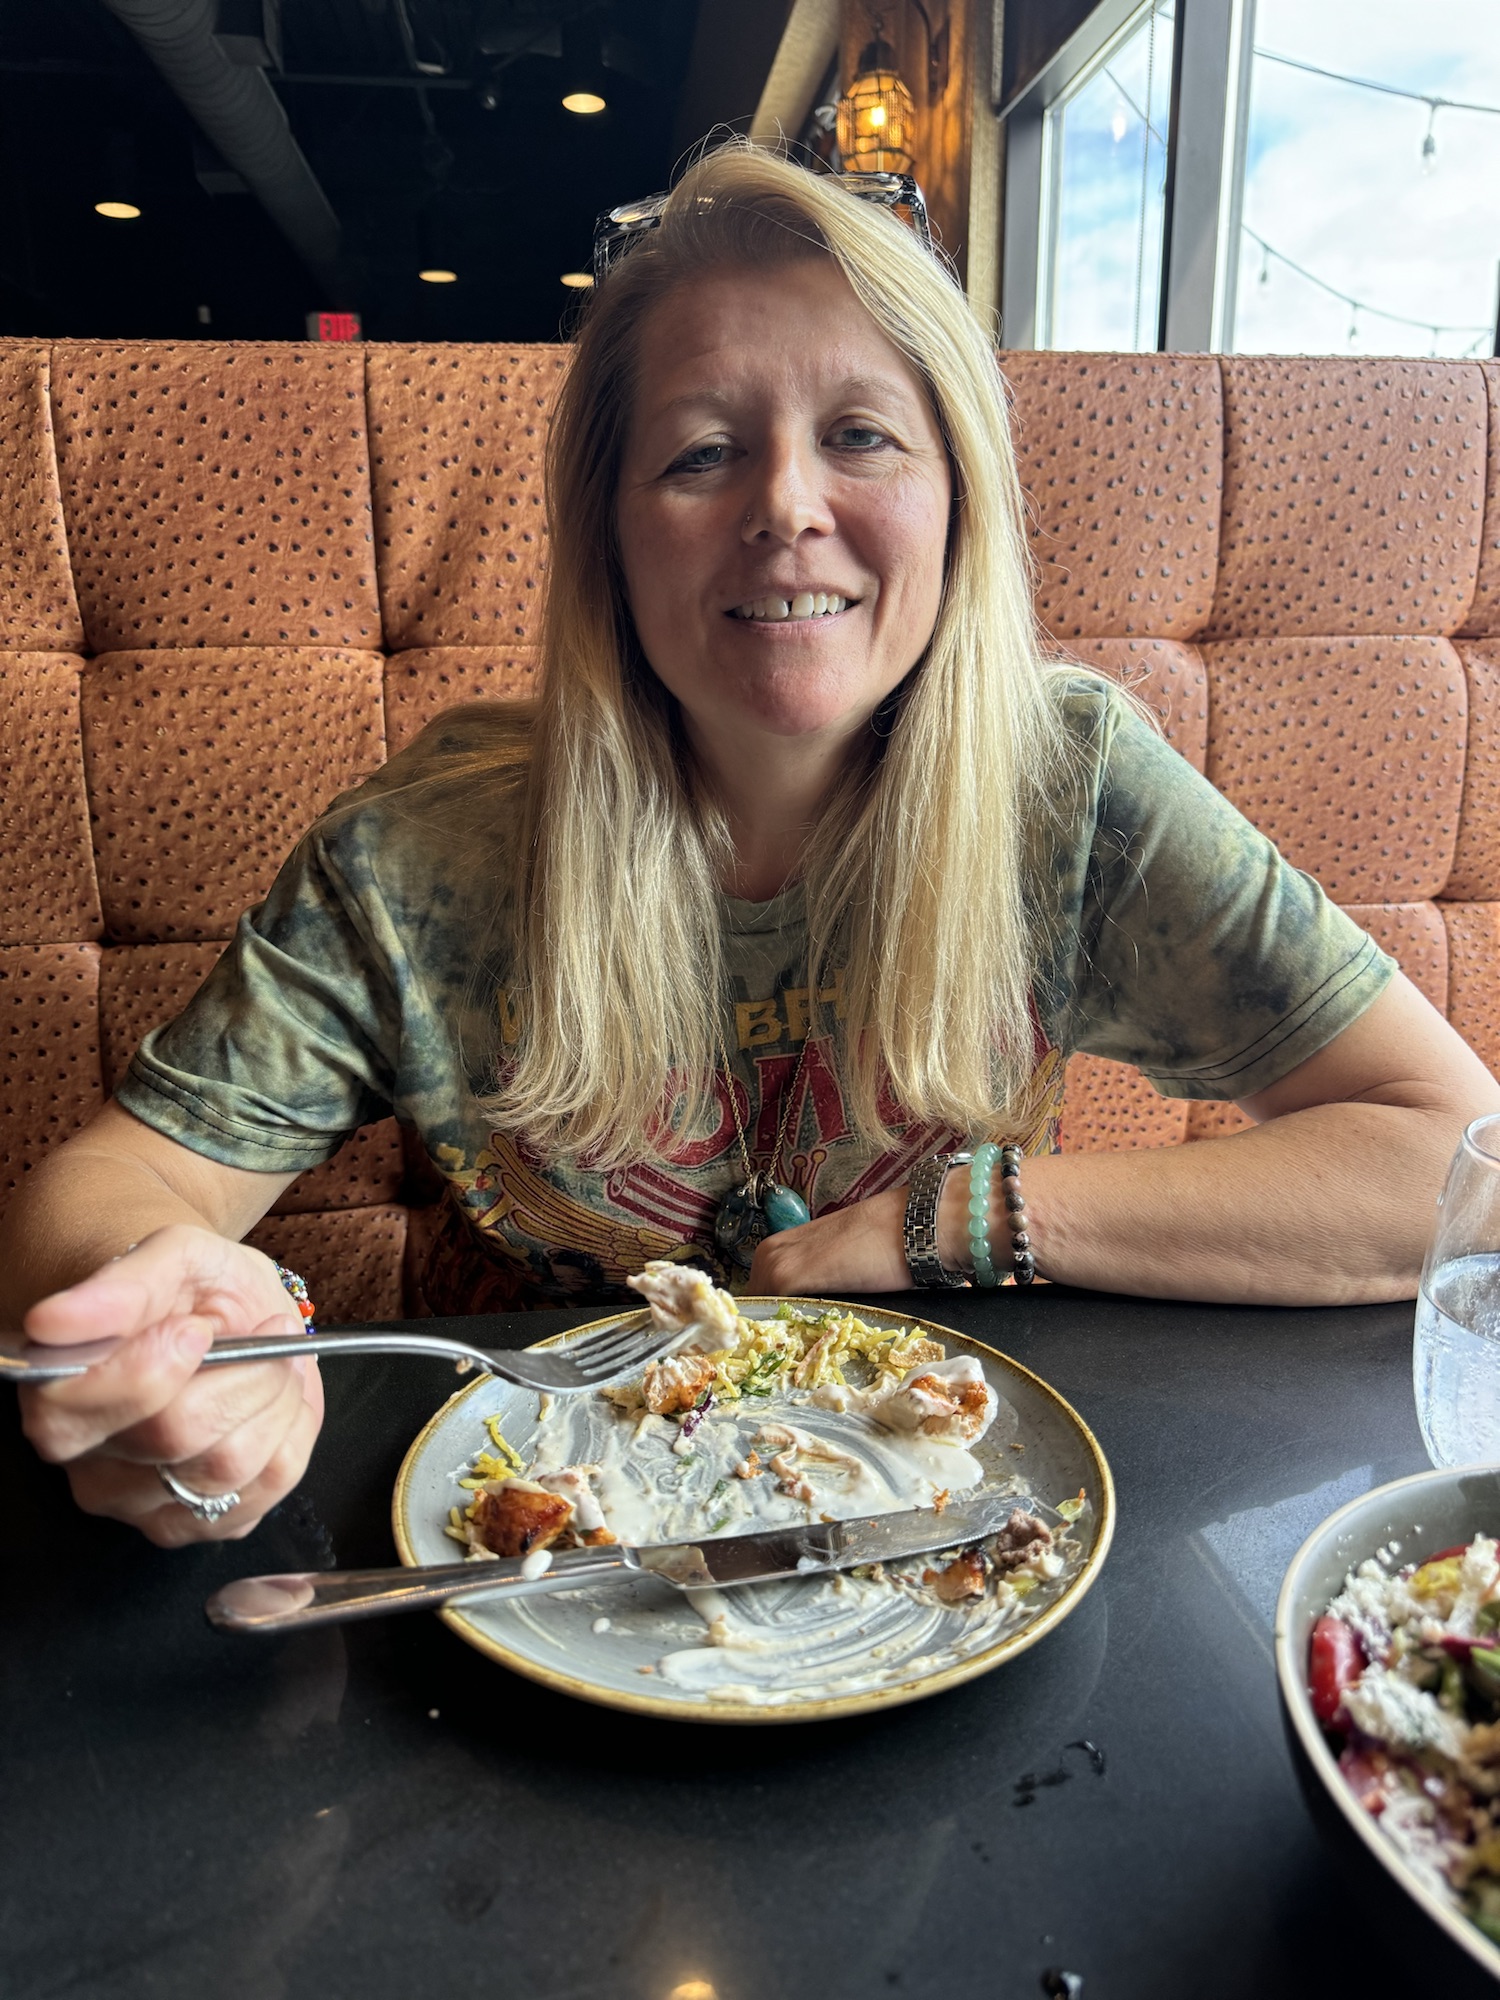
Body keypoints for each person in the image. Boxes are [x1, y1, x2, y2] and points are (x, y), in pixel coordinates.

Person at [5, 145, 1496, 1546]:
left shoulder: (1073, 789)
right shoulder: (418, 857)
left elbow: (1448, 1160)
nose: (786, 505)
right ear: (610, 536)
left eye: (860, 435)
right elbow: (109, 1194)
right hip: (528, 1534)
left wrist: (952, 1220)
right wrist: (174, 1320)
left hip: (933, 1522)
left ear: (958, 499)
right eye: (702, 454)